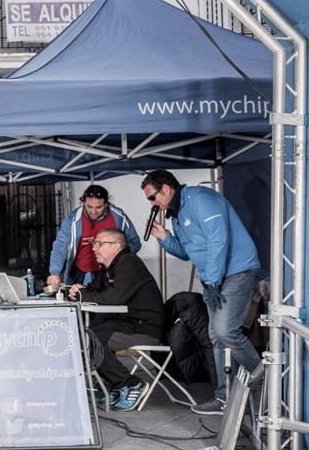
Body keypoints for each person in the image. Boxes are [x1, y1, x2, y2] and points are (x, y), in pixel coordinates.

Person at [141, 169, 261, 414]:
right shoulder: (176, 215)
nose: (152, 204)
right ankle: (224, 397)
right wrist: (163, 236)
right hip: (212, 280)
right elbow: (188, 252)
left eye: (152, 197)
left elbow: (219, 240)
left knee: (225, 331)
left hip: (235, 273)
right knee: (216, 338)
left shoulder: (200, 200)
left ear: (165, 188)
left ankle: (262, 377)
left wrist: (214, 281)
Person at [67, 228, 165, 411]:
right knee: (84, 334)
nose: (94, 248)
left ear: (116, 246)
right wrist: (77, 292)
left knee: (91, 339)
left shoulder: (128, 263)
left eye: (100, 244)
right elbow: (92, 290)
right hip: (125, 325)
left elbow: (114, 298)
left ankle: (131, 383)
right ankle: (115, 383)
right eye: (94, 243)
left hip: (144, 329)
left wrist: (83, 295)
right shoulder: (108, 269)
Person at [47, 184, 142, 289]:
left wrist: (118, 259)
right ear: (83, 202)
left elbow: (135, 242)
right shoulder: (72, 220)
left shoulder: (119, 218)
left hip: (109, 271)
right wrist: (54, 272)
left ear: (106, 204)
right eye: (89, 206)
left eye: (98, 207)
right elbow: (60, 246)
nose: (93, 211)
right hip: (79, 272)